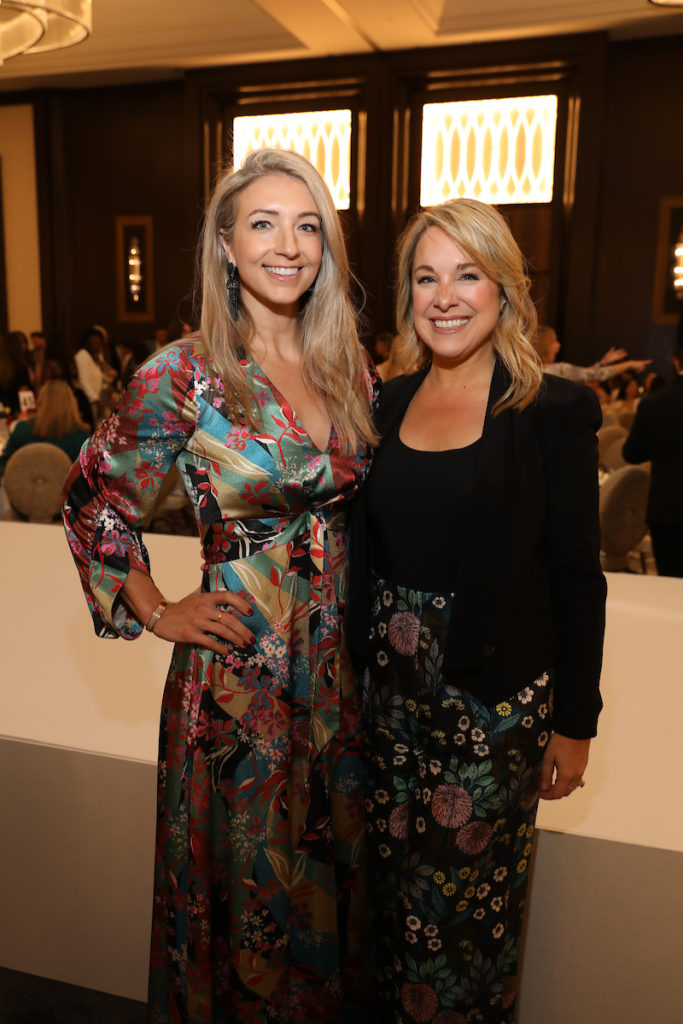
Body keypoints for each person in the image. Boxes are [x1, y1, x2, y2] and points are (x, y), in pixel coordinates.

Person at [62, 148, 377, 1023]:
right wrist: (160, 609)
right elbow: (92, 498)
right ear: (227, 247)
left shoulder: (350, 369)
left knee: (331, 891)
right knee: (245, 901)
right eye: (265, 224)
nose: (289, 245)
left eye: (307, 225)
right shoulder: (186, 371)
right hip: (240, 687)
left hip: (338, 684)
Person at [348, 199, 606, 1023]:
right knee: (389, 895)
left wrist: (575, 720)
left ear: (504, 289)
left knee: (458, 914)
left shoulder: (551, 411)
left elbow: (576, 575)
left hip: (491, 703)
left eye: (466, 274)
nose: (444, 295)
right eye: (425, 277)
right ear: (406, 295)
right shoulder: (382, 405)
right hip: (386, 699)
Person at [623, 341, 683, 577]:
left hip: (667, 509)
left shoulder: (654, 403)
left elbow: (632, 453)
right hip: (667, 511)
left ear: (676, 362)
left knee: (670, 586)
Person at [0, 379, 90, 476]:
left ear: (40, 400)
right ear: (72, 403)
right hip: (68, 489)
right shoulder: (83, 436)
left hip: (26, 488)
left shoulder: (22, 429)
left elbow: (5, 465)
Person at [536, 324, 649, 383]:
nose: (559, 345)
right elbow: (595, 375)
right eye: (554, 341)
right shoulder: (558, 370)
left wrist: (603, 362)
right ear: (545, 345)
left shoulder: (532, 371)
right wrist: (629, 364)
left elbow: (584, 373)